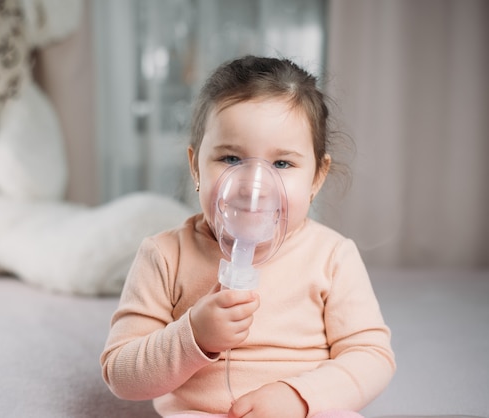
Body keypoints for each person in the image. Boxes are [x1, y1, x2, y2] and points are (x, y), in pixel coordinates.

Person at [100, 55, 395, 418]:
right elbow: (120, 373)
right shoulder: (164, 255)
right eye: (231, 159)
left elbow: (371, 355)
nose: (254, 186)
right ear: (196, 165)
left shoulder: (332, 256)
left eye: (282, 164)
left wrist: (298, 396)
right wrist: (193, 335)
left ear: (317, 176)